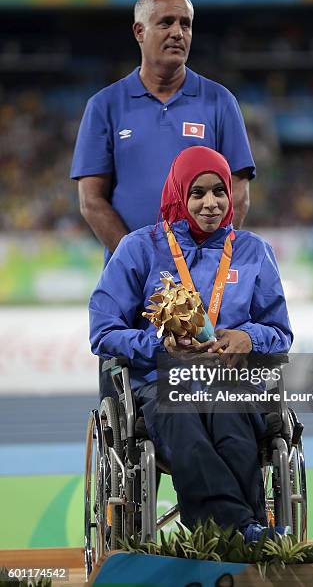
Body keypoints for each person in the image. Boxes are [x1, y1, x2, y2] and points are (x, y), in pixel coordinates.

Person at [89, 146, 292, 542]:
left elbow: (281, 332)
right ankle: (241, 532)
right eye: (197, 193)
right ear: (179, 194)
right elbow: (103, 331)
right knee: (181, 413)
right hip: (161, 382)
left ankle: (229, 533)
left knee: (229, 412)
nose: (210, 203)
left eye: (219, 191)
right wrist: (159, 345)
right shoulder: (139, 248)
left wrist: (247, 337)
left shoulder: (253, 252)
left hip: (231, 381)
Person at [70, 0, 255, 400]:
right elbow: (91, 200)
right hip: (131, 285)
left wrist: (206, 258)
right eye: (166, 22)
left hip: (205, 283)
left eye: (185, 24)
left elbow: (238, 192)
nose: (178, 32)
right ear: (139, 31)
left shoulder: (219, 102)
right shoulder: (105, 106)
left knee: (217, 409)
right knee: (133, 408)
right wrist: (144, 264)